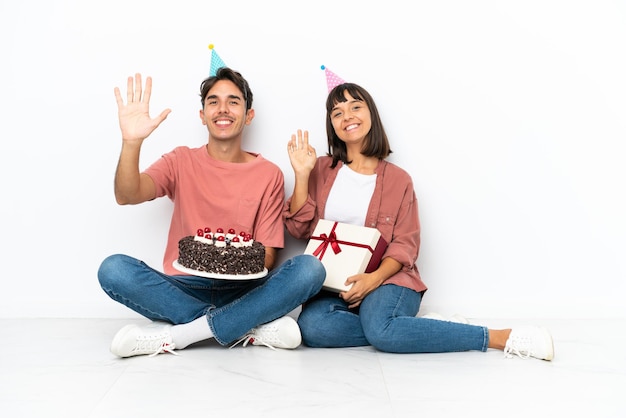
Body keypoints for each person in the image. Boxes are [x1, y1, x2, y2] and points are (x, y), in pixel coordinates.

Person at [283, 81, 554, 360]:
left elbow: (405, 244)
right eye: (337, 112)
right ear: (332, 124)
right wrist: (301, 176)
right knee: (313, 328)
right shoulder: (320, 169)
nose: (347, 116)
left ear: (371, 115)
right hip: (334, 286)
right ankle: (422, 329)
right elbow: (298, 229)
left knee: (381, 329)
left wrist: (373, 280)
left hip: (388, 279)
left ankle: (499, 337)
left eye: (355, 107)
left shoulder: (399, 180)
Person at [98, 68, 325, 358]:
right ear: (203, 115)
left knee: (310, 269)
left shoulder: (269, 174)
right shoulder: (180, 160)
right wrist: (132, 143)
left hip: (246, 290)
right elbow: (126, 195)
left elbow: (268, 256)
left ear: (248, 115)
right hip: (183, 286)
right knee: (114, 269)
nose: (223, 109)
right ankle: (245, 325)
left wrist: (227, 261)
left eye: (233, 101)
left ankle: (183, 334)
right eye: (213, 101)